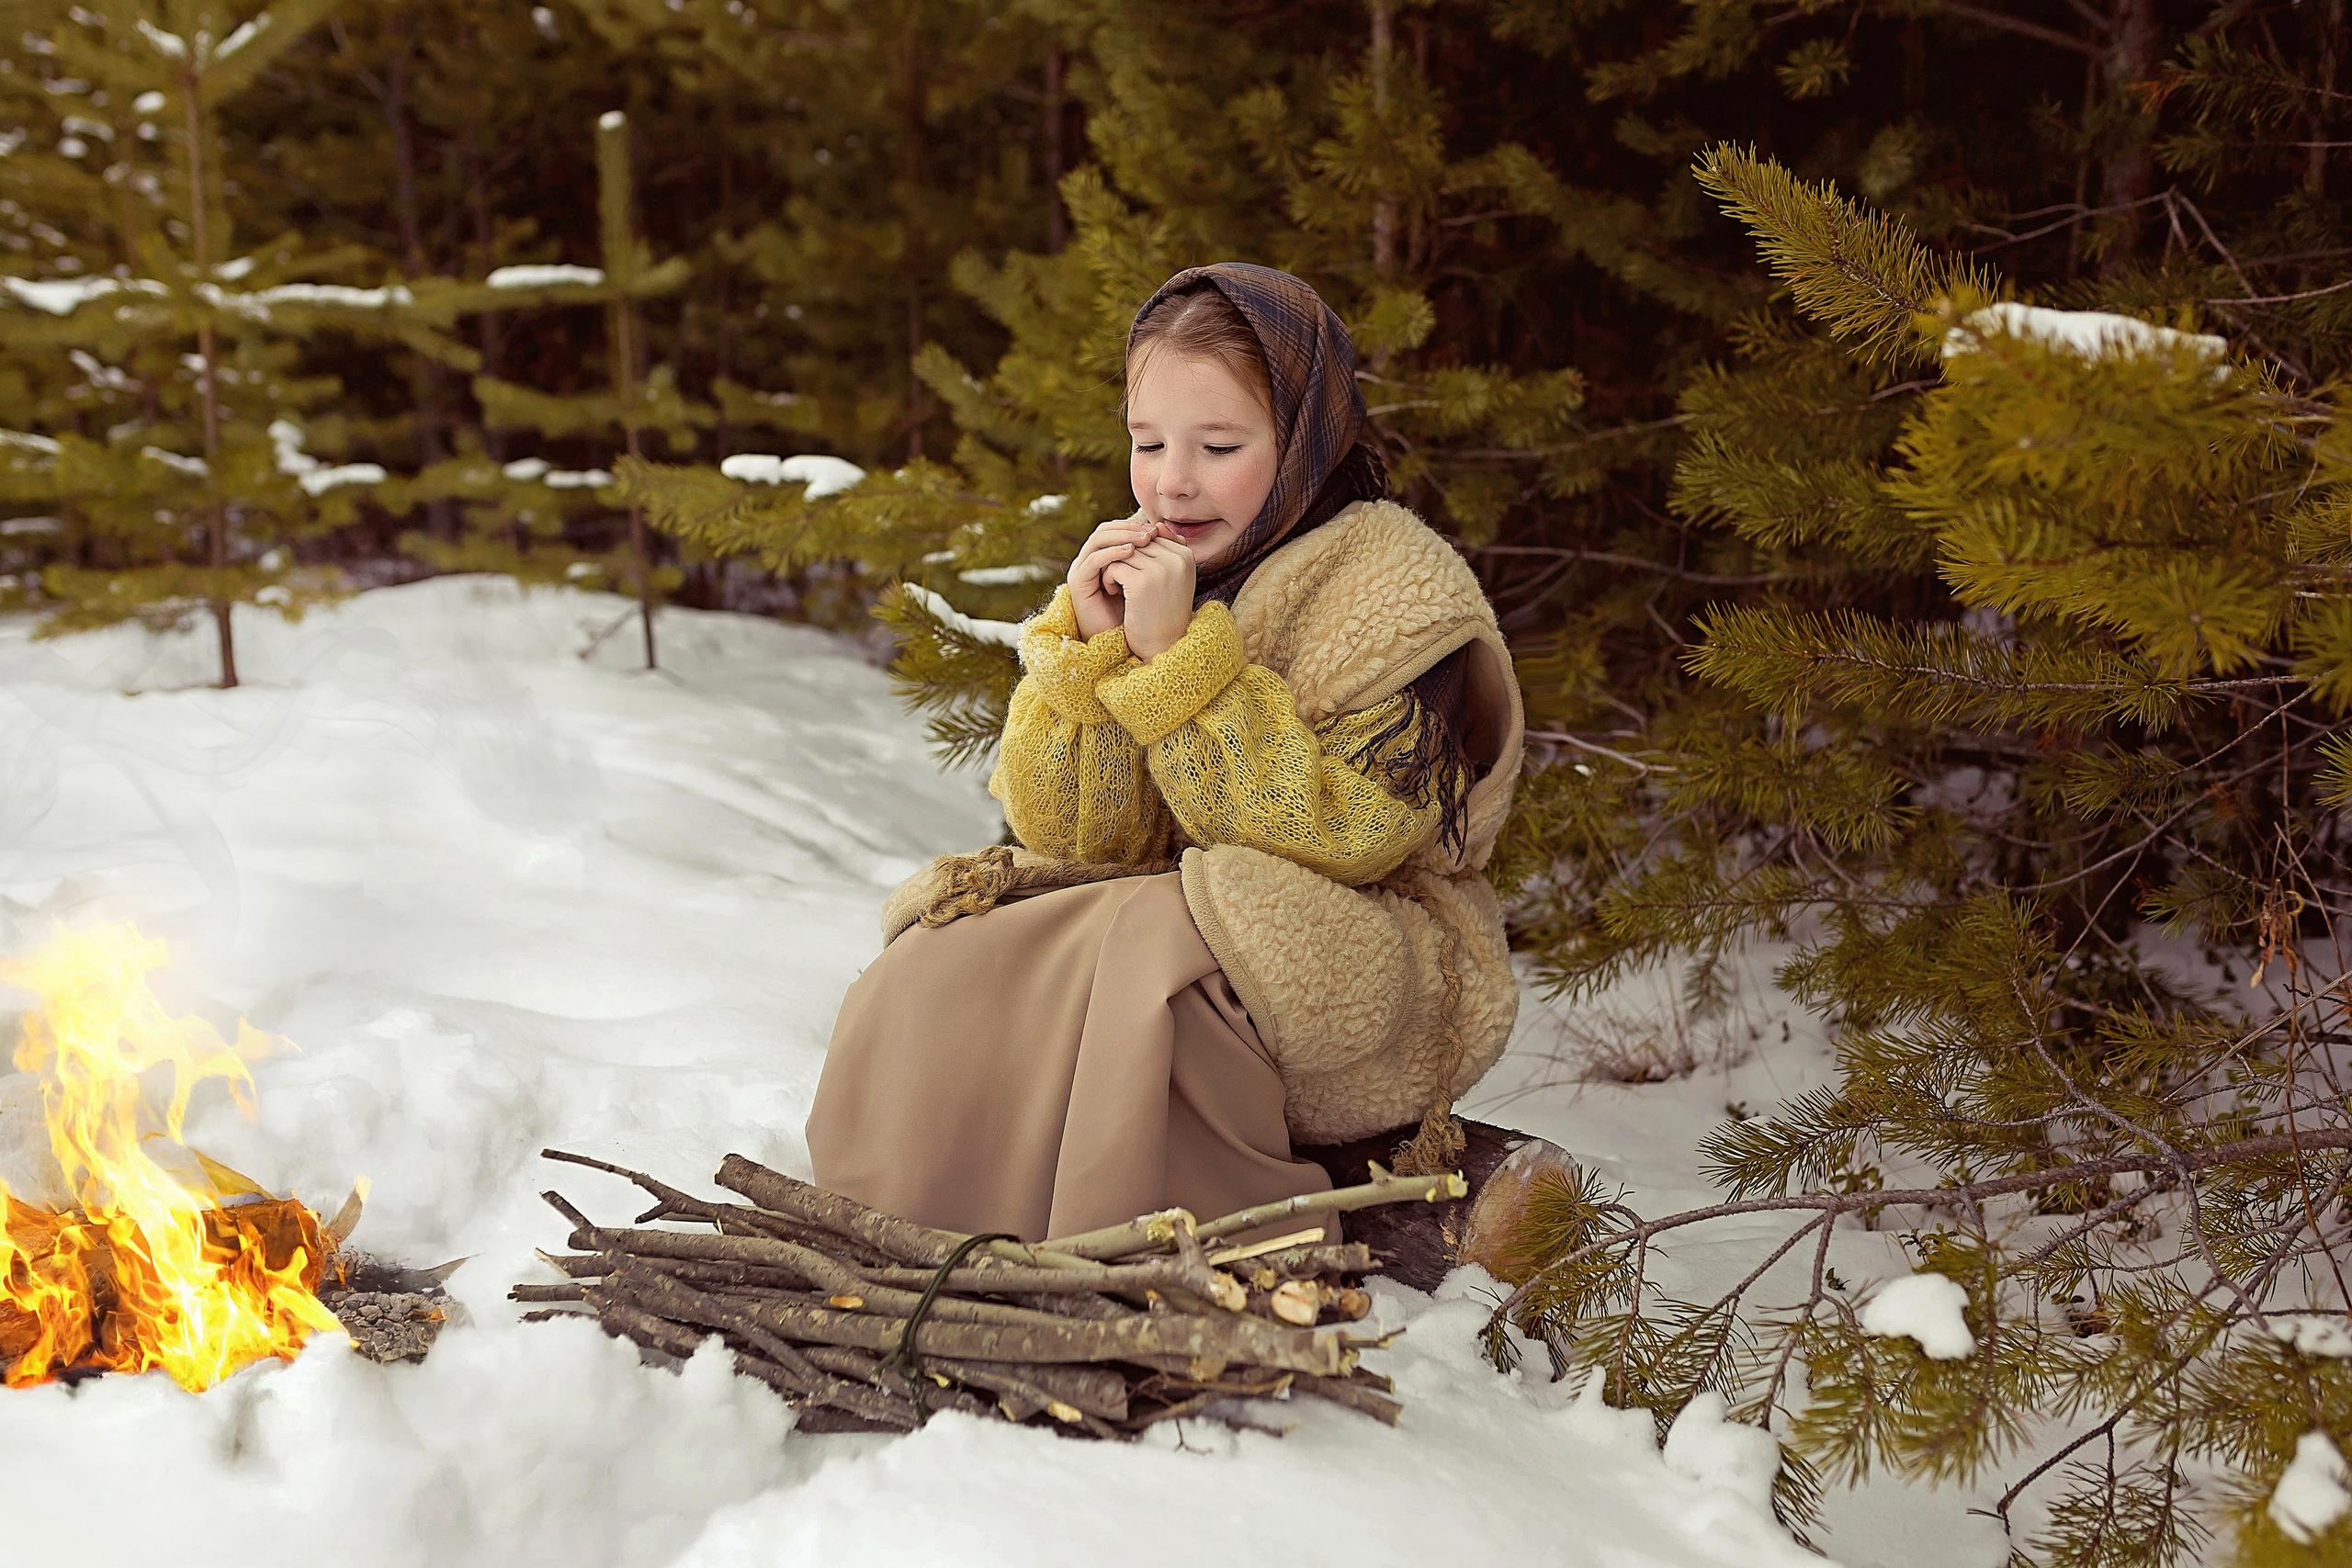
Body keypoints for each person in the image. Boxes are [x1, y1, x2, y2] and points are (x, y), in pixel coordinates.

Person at [806, 262, 1524, 1246]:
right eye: (1148, 443)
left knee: (1153, 952)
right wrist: (1092, 659)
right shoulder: (1168, 565)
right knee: (954, 944)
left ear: (1306, 434)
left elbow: (1349, 835)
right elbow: (1082, 837)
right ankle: (910, 1215)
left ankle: (1130, 1238)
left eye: (1218, 445)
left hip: (1373, 961)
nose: (1172, 480)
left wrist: (1180, 664)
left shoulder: (1394, 591)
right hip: (1176, 911)